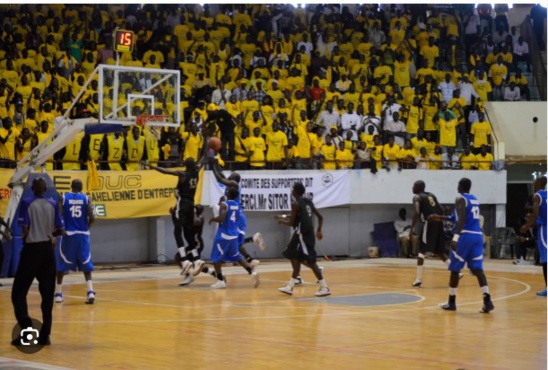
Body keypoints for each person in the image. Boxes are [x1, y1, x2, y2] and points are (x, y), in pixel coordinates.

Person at [11, 177, 65, 346]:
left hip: (32, 251)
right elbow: (61, 230)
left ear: (33, 188)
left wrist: (32, 235)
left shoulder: (27, 202)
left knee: (18, 293)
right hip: (48, 252)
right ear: (46, 189)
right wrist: (50, 236)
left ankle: (27, 330)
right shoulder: (52, 203)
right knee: (47, 295)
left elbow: (25, 230)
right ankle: (45, 335)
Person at [431, 178, 495, 313]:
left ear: (460, 186)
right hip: (477, 235)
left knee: (455, 269)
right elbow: (458, 217)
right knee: (478, 270)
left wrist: (455, 238)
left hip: (465, 236)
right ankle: (487, 300)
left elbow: (461, 220)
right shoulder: (474, 199)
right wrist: (439, 217)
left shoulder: (460, 199)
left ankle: (451, 302)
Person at [142, 158, 203, 281]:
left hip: (183, 203)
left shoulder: (183, 174)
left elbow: (165, 171)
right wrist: (207, 146)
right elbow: (202, 160)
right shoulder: (196, 171)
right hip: (191, 204)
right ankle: (197, 260)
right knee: (187, 233)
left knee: (177, 229)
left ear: (185, 165)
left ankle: (185, 260)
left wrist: (151, 166)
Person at [276, 182, 330, 297]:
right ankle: (290, 286)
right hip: (303, 234)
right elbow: (320, 217)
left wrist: (282, 222)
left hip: (303, 235)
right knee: (293, 255)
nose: (291, 192)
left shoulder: (295, 204)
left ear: (295, 192)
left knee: (310, 260)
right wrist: (319, 230)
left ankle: (324, 287)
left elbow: (291, 223)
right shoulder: (308, 202)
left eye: (293, 190)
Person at [211, 158, 264, 270]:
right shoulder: (230, 186)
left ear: (234, 179)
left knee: (235, 243)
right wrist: (216, 164)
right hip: (235, 216)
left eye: (231, 176)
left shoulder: (234, 184)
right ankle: (251, 253)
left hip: (238, 217)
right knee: (235, 242)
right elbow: (221, 174)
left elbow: (220, 179)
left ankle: (250, 252)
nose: (228, 177)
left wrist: (212, 166)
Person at [409, 180, 461, 287]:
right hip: (439, 223)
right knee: (439, 251)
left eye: (414, 186)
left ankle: (418, 279)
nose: (412, 187)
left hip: (429, 223)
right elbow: (442, 210)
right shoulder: (431, 195)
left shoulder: (417, 197)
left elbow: (417, 212)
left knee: (421, 250)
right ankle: (457, 272)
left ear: (419, 187)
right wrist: (438, 219)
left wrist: (411, 229)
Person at [208, 187, 259, 289]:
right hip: (234, 235)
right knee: (236, 256)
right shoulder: (237, 205)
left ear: (228, 193)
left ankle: (220, 281)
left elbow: (222, 218)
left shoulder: (224, 204)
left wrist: (213, 219)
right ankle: (251, 272)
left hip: (223, 235)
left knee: (215, 258)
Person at [55, 179, 96, 304]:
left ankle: (58, 294)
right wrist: (86, 227)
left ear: (71, 187)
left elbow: (58, 215)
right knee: (86, 264)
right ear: (82, 187)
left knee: (62, 264)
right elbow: (93, 217)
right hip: (82, 236)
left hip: (69, 235)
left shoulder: (64, 198)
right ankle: (90, 292)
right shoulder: (86, 198)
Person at [519, 175, 547, 296]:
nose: (534, 183)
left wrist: (526, 225)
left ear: (540, 183)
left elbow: (535, 213)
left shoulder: (537, 196)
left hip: (544, 229)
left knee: (545, 259)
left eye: (536, 181)